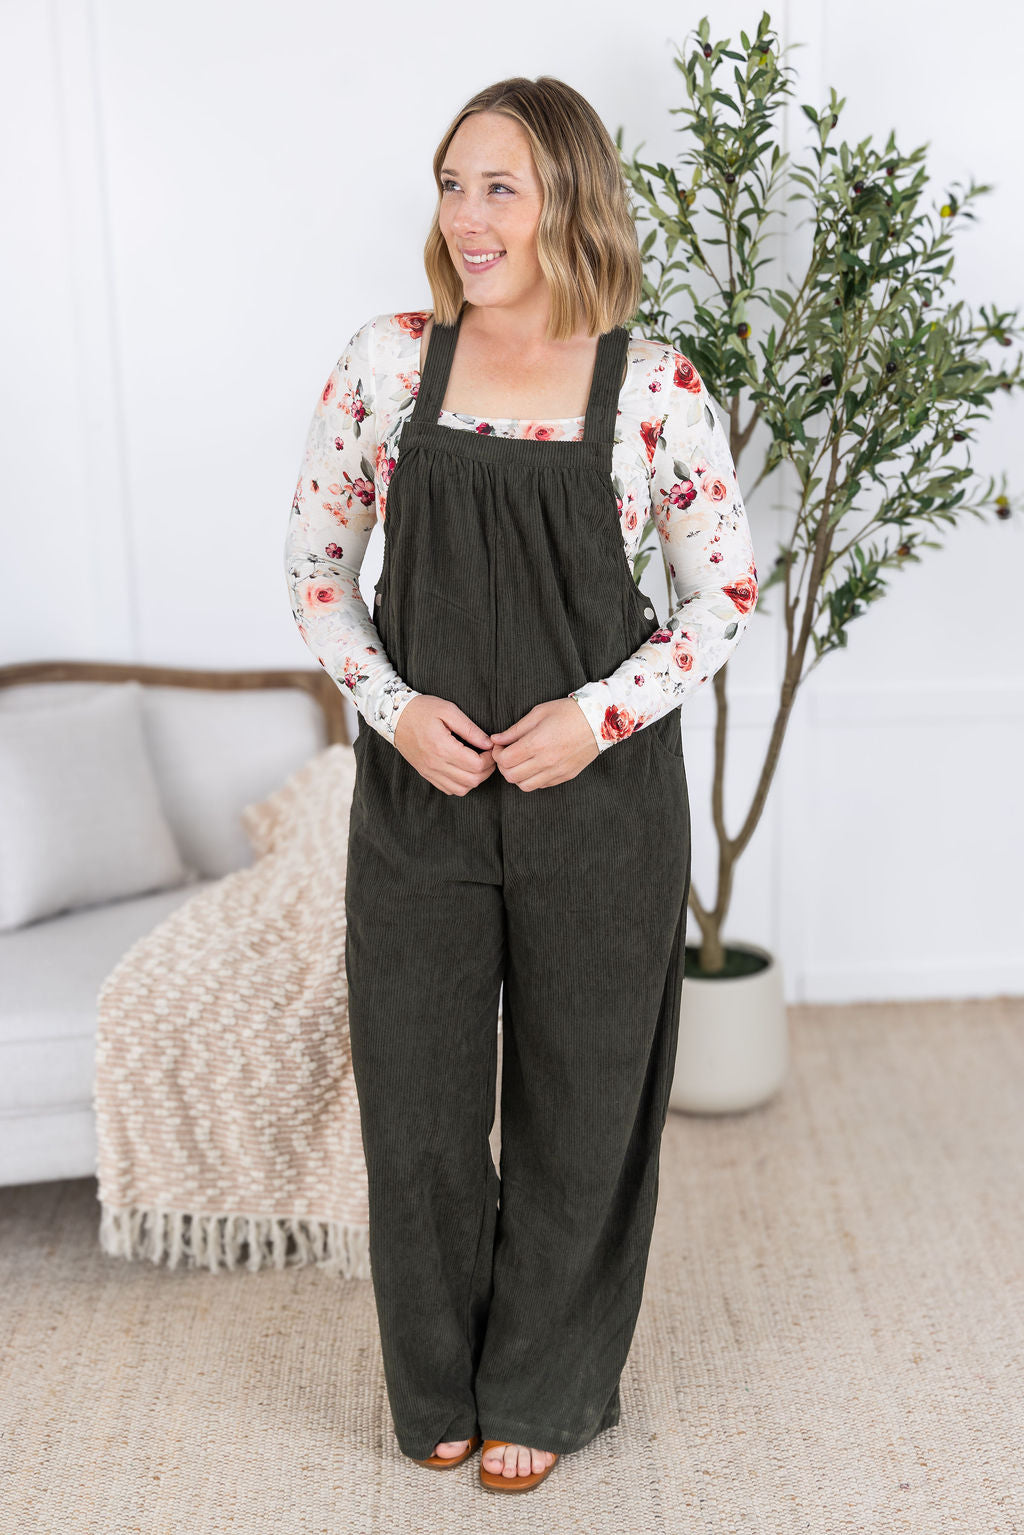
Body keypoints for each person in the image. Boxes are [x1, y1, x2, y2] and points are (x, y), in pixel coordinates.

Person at [284, 75, 758, 1495]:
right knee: (419, 1101)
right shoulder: (386, 364)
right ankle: (434, 1379)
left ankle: (544, 1387)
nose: (468, 218)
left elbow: (721, 596)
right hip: (419, 801)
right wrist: (394, 706)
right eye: (452, 185)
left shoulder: (655, 385)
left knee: (582, 1106)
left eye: (501, 186)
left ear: (568, 196)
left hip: (599, 815)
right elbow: (317, 579)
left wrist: (596, 718)